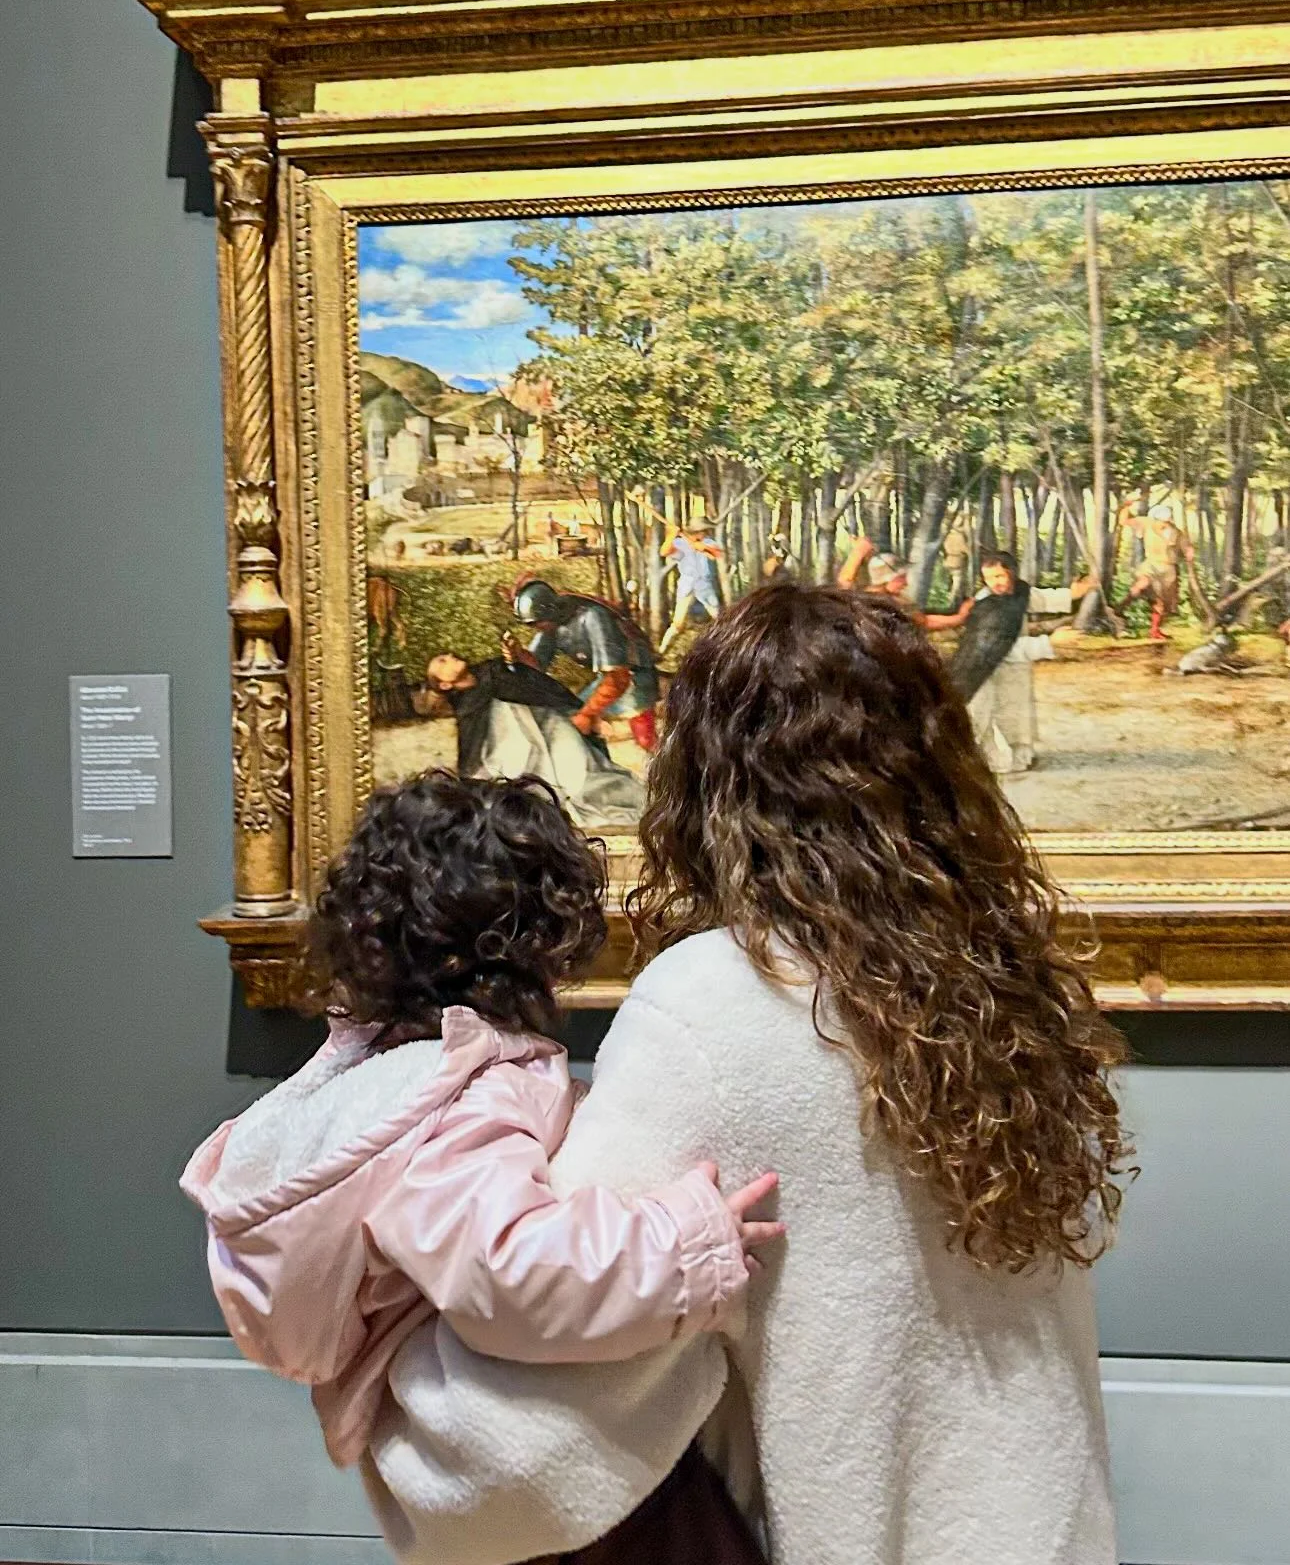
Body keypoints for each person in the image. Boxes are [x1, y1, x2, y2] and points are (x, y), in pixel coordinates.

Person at [351, 584, 1127, 1565]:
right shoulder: (1008, 976)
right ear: (936, 762)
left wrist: (386, 1387)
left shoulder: (717, 999)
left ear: (705, 775)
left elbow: (539, 1400)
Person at [181, 772, 783, 1506]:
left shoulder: (387, 1069)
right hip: (516, 1450)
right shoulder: (474, 1090)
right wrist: (687, 1245)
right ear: (541, 935)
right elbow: (507, 1268)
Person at [425, 650, 646, 827]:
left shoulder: (494, 669)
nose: (451, 657)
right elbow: (473, 754)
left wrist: (517, 658)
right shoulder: (468, 709)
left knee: (586, 776)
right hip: (523, 758)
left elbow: (542, 689)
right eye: (442, 662)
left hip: (552, 728)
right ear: (445, 685)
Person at [927, 550, 1095, 776]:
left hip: (1015, 670)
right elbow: (1000, 649)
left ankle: (1019, 758)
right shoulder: (988, 606)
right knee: (981, 716)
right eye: (989, 578)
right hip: (981, 672)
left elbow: (1042, 598)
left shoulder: (1020, 593)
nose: (995, 583)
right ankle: (981, 763)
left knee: (1018, 715)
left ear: (1011, 573)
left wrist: (1074, 594)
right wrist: (1050, 642)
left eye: (999, 576)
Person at [508, 575, 661, 752]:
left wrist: (587, 714)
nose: (535, 628)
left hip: (636, 677)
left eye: (537, 623)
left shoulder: (593, 617)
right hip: (611, 679)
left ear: (549, 613)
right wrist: (518, 654)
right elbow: (536, 667)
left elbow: (619, 678)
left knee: (645, 740)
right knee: (571, 716)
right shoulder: (551, 627)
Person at [1115, 499, 1193, 641]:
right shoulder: (1146, 523)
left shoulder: (1177, 532)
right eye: (1163, 520)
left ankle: (1155, 631)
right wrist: (1126, 506)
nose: (1165, 522)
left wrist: (1189, 552)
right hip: (1152, 565)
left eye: (1167, 520)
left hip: (1169, 570)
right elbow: (1124, 521)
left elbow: (1186, 547)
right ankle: (1120, 608)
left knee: (1160, 603)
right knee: (1142, 584)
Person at [658, 519, 724, 657]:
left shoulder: (709, 543)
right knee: (678, 624)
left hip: (705, 586)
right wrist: (672, 535)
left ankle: (727, 646)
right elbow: (664, 552)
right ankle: (661, 651)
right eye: (701, 531)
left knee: (719, 618)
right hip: (687, 585)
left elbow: (717, 554)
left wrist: (701, 547)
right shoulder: (681, 543)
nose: (704, 533)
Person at [836, 530, 910, 599]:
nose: (905, 582)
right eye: (900, 577)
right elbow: (844, 584)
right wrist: (859, 552)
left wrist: (860, 551)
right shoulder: (868, 600)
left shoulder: (899, 600)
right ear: (885, 580)